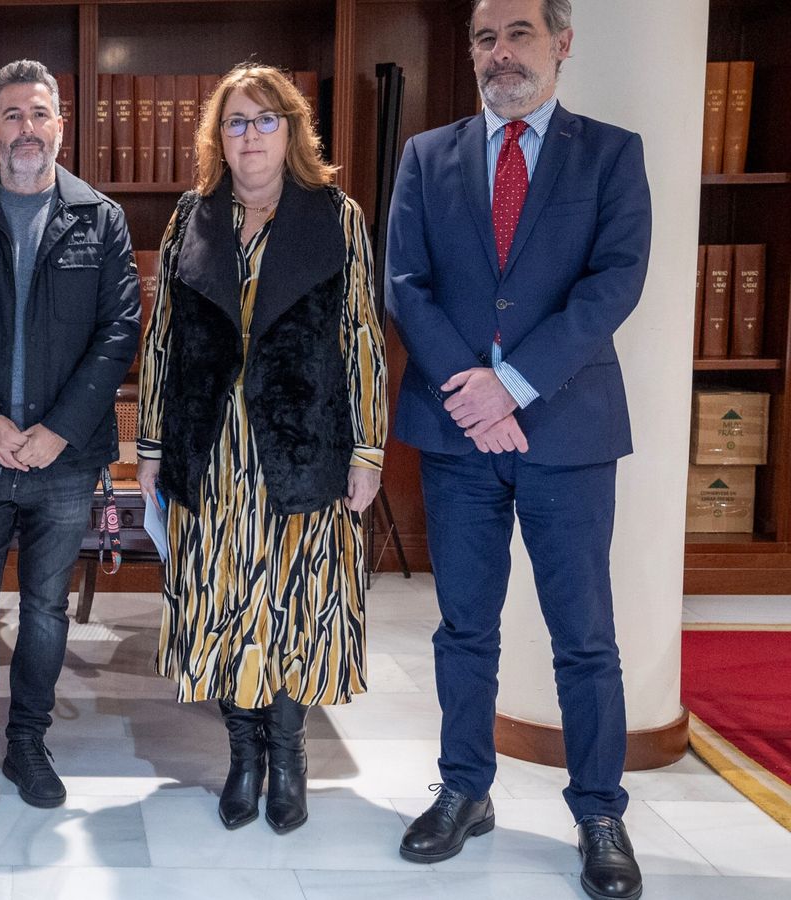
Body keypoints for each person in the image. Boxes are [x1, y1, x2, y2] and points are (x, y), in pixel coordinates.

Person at [384, 2, 650, 897]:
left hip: (566, 433)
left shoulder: (611, 153)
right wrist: (475, 391)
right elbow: (407, 284)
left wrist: (516, 384)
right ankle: (466, 789)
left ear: (562, 43)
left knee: (584, 638)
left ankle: (599, 812)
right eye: (485, 39)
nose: (501, 54)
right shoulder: (428, 156)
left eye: (519, 34)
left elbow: (614, 283)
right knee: (466, 628)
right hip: (459, 438)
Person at [136, 63, 387, 836]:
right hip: (209, 447)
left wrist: (368, 450)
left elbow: (361, 337)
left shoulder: (333, 216)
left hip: (302, 443)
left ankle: (290, 753)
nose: (250, 135)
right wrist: (148, 443)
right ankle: (242, 756)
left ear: (292, 131)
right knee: (221, 602)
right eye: (236, 121)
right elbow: (165, 337)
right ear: (219, 136)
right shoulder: (192, 216)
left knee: (292, 607)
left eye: (265, 119)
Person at [0, 58, 140, 837]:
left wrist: (56, 431)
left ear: (60, 124)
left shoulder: (99, 217)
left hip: (66, 463)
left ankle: (29, 747)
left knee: (46, 611)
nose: (26, 130)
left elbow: (119, 333)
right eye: (11, 115)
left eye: (39, 114)